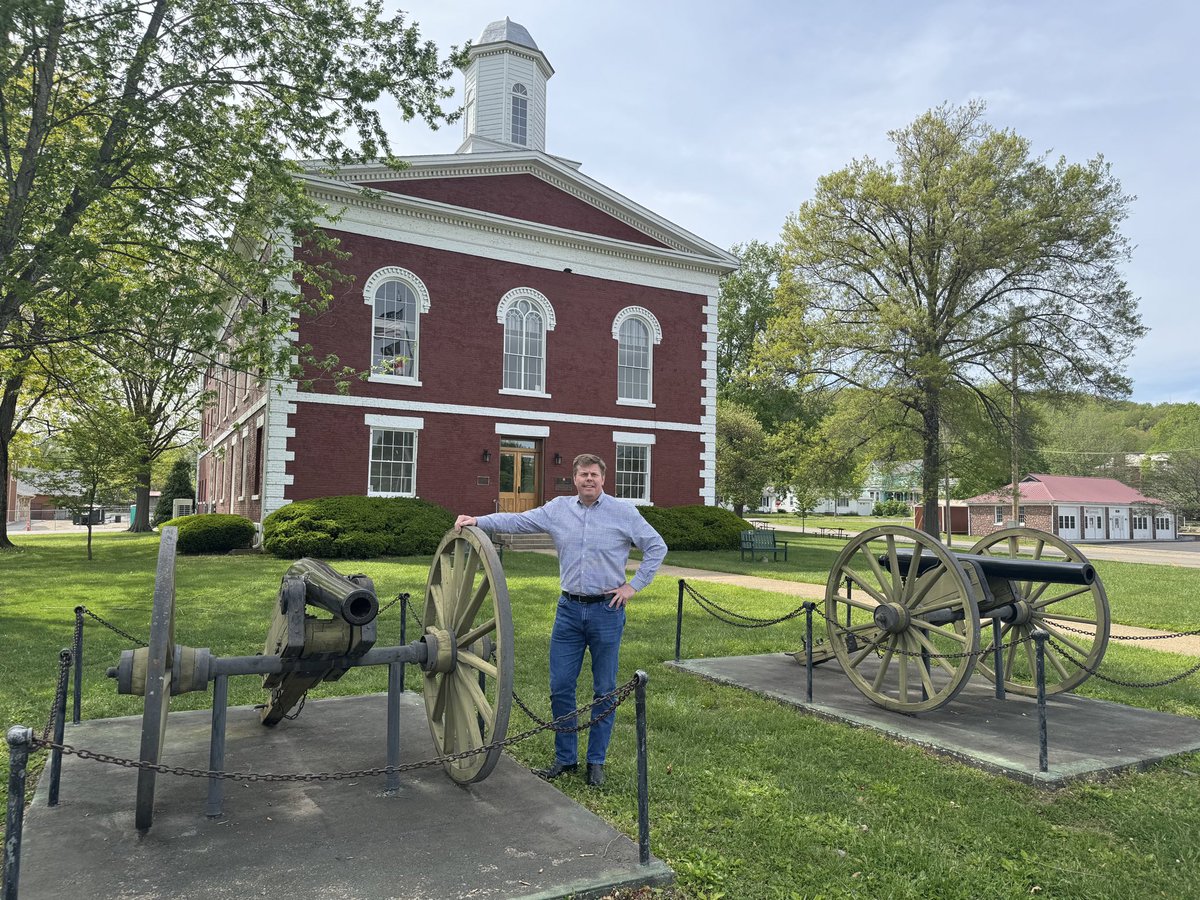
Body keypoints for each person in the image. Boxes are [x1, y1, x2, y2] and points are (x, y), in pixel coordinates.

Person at [455, 453, 667, 786]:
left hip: (606, 611)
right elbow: (519, 521)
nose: (589, 480)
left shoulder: (623, 513)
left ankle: (596, 761)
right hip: (568, 611)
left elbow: (656, 546)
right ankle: (565, 758)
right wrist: (478, 521)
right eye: (583, 475)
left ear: (603, 479)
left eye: (594, 475)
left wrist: (632, 586)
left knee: (605, 690)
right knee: (561, 688)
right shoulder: (558, 510)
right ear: (575, 478)